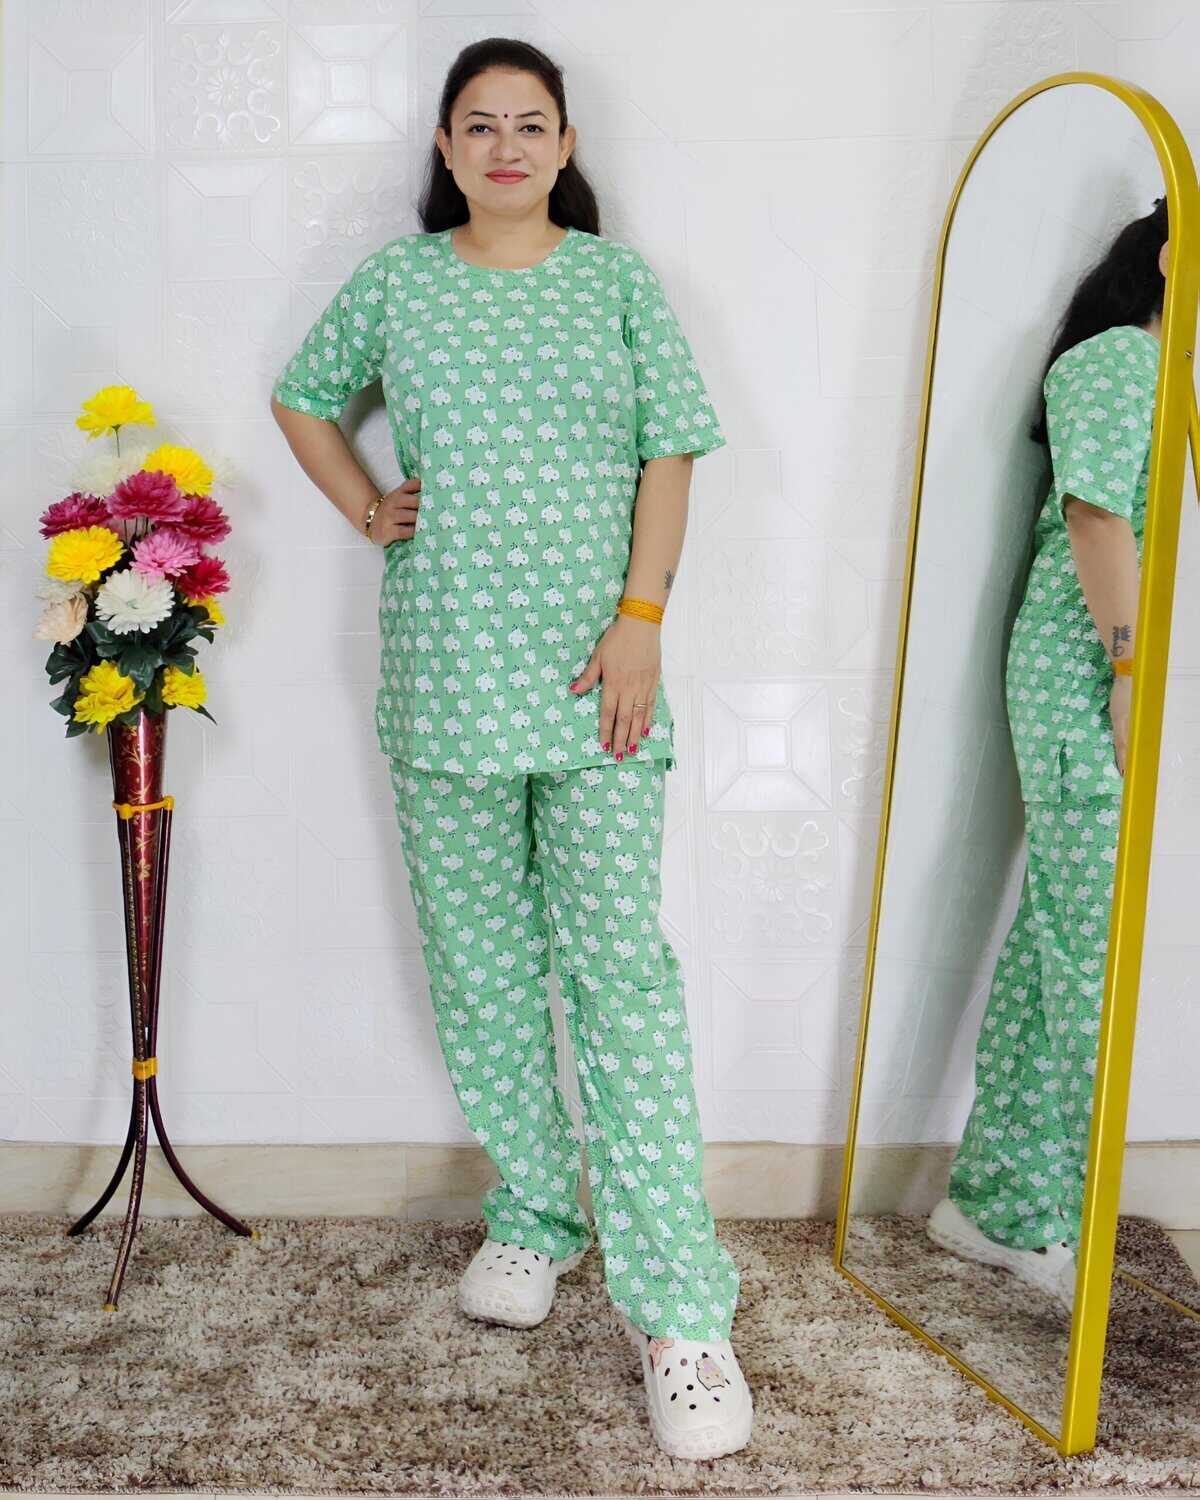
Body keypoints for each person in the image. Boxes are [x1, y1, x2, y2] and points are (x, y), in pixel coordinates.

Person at [269, 36, 753, 1461]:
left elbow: (671, 451)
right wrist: (365, 506)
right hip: (445, 679)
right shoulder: (397, 285)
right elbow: (302, 395)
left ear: (565, 142)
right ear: (443, 146)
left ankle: (682, 1315)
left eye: (529, 123)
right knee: (480, 971)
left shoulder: (617, 283)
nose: (504, 146)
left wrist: (642, 619)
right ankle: (537, 1213)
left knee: (619, 982)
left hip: (601, 681)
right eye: (477, 124)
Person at [926, 197, 1168, 1312]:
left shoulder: (1156, 370)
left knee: (1060, 940)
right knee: (1090, 954)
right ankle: (1064, 1218)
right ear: (1169, 258)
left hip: (1101, 671)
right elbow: (1095, 517)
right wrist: (1128, 673)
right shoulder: (1119, 360)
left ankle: (997, 1205)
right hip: (1084, 675)